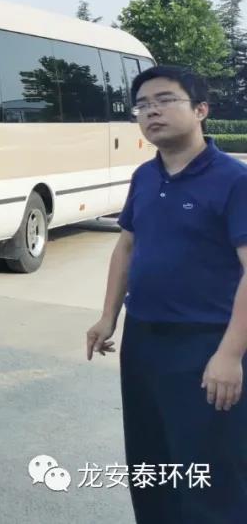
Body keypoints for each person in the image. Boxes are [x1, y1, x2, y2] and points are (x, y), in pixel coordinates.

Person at [86, 65, 247, 524]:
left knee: (209, 472)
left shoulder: (233, 180)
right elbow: (127, 246)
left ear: (201, 110)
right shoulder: (144, 176)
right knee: (151, 460)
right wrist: (108, 316)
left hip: (204, 343)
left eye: (165, 100)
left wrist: (230, 354)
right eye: (142, 105)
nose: (151, 111)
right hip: (143, 341)